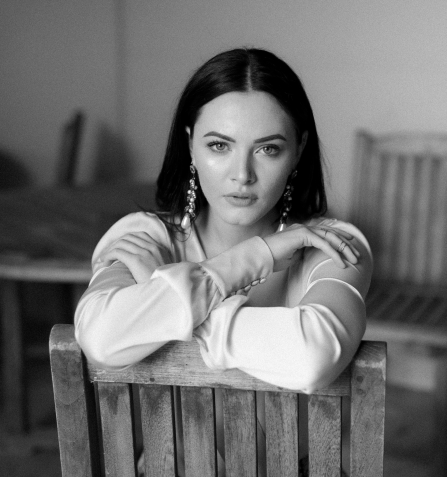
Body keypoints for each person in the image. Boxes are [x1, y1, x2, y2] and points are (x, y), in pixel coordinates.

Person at [75, 47, 372, 477]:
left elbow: (313, 356)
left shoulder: (333, 244)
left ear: (299, 150)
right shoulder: (143, 237)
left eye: (268, 149)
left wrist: (168, 296)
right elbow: (102, 337)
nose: (242, 175)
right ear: (190, 145)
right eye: (219, 145)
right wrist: (252, 258)